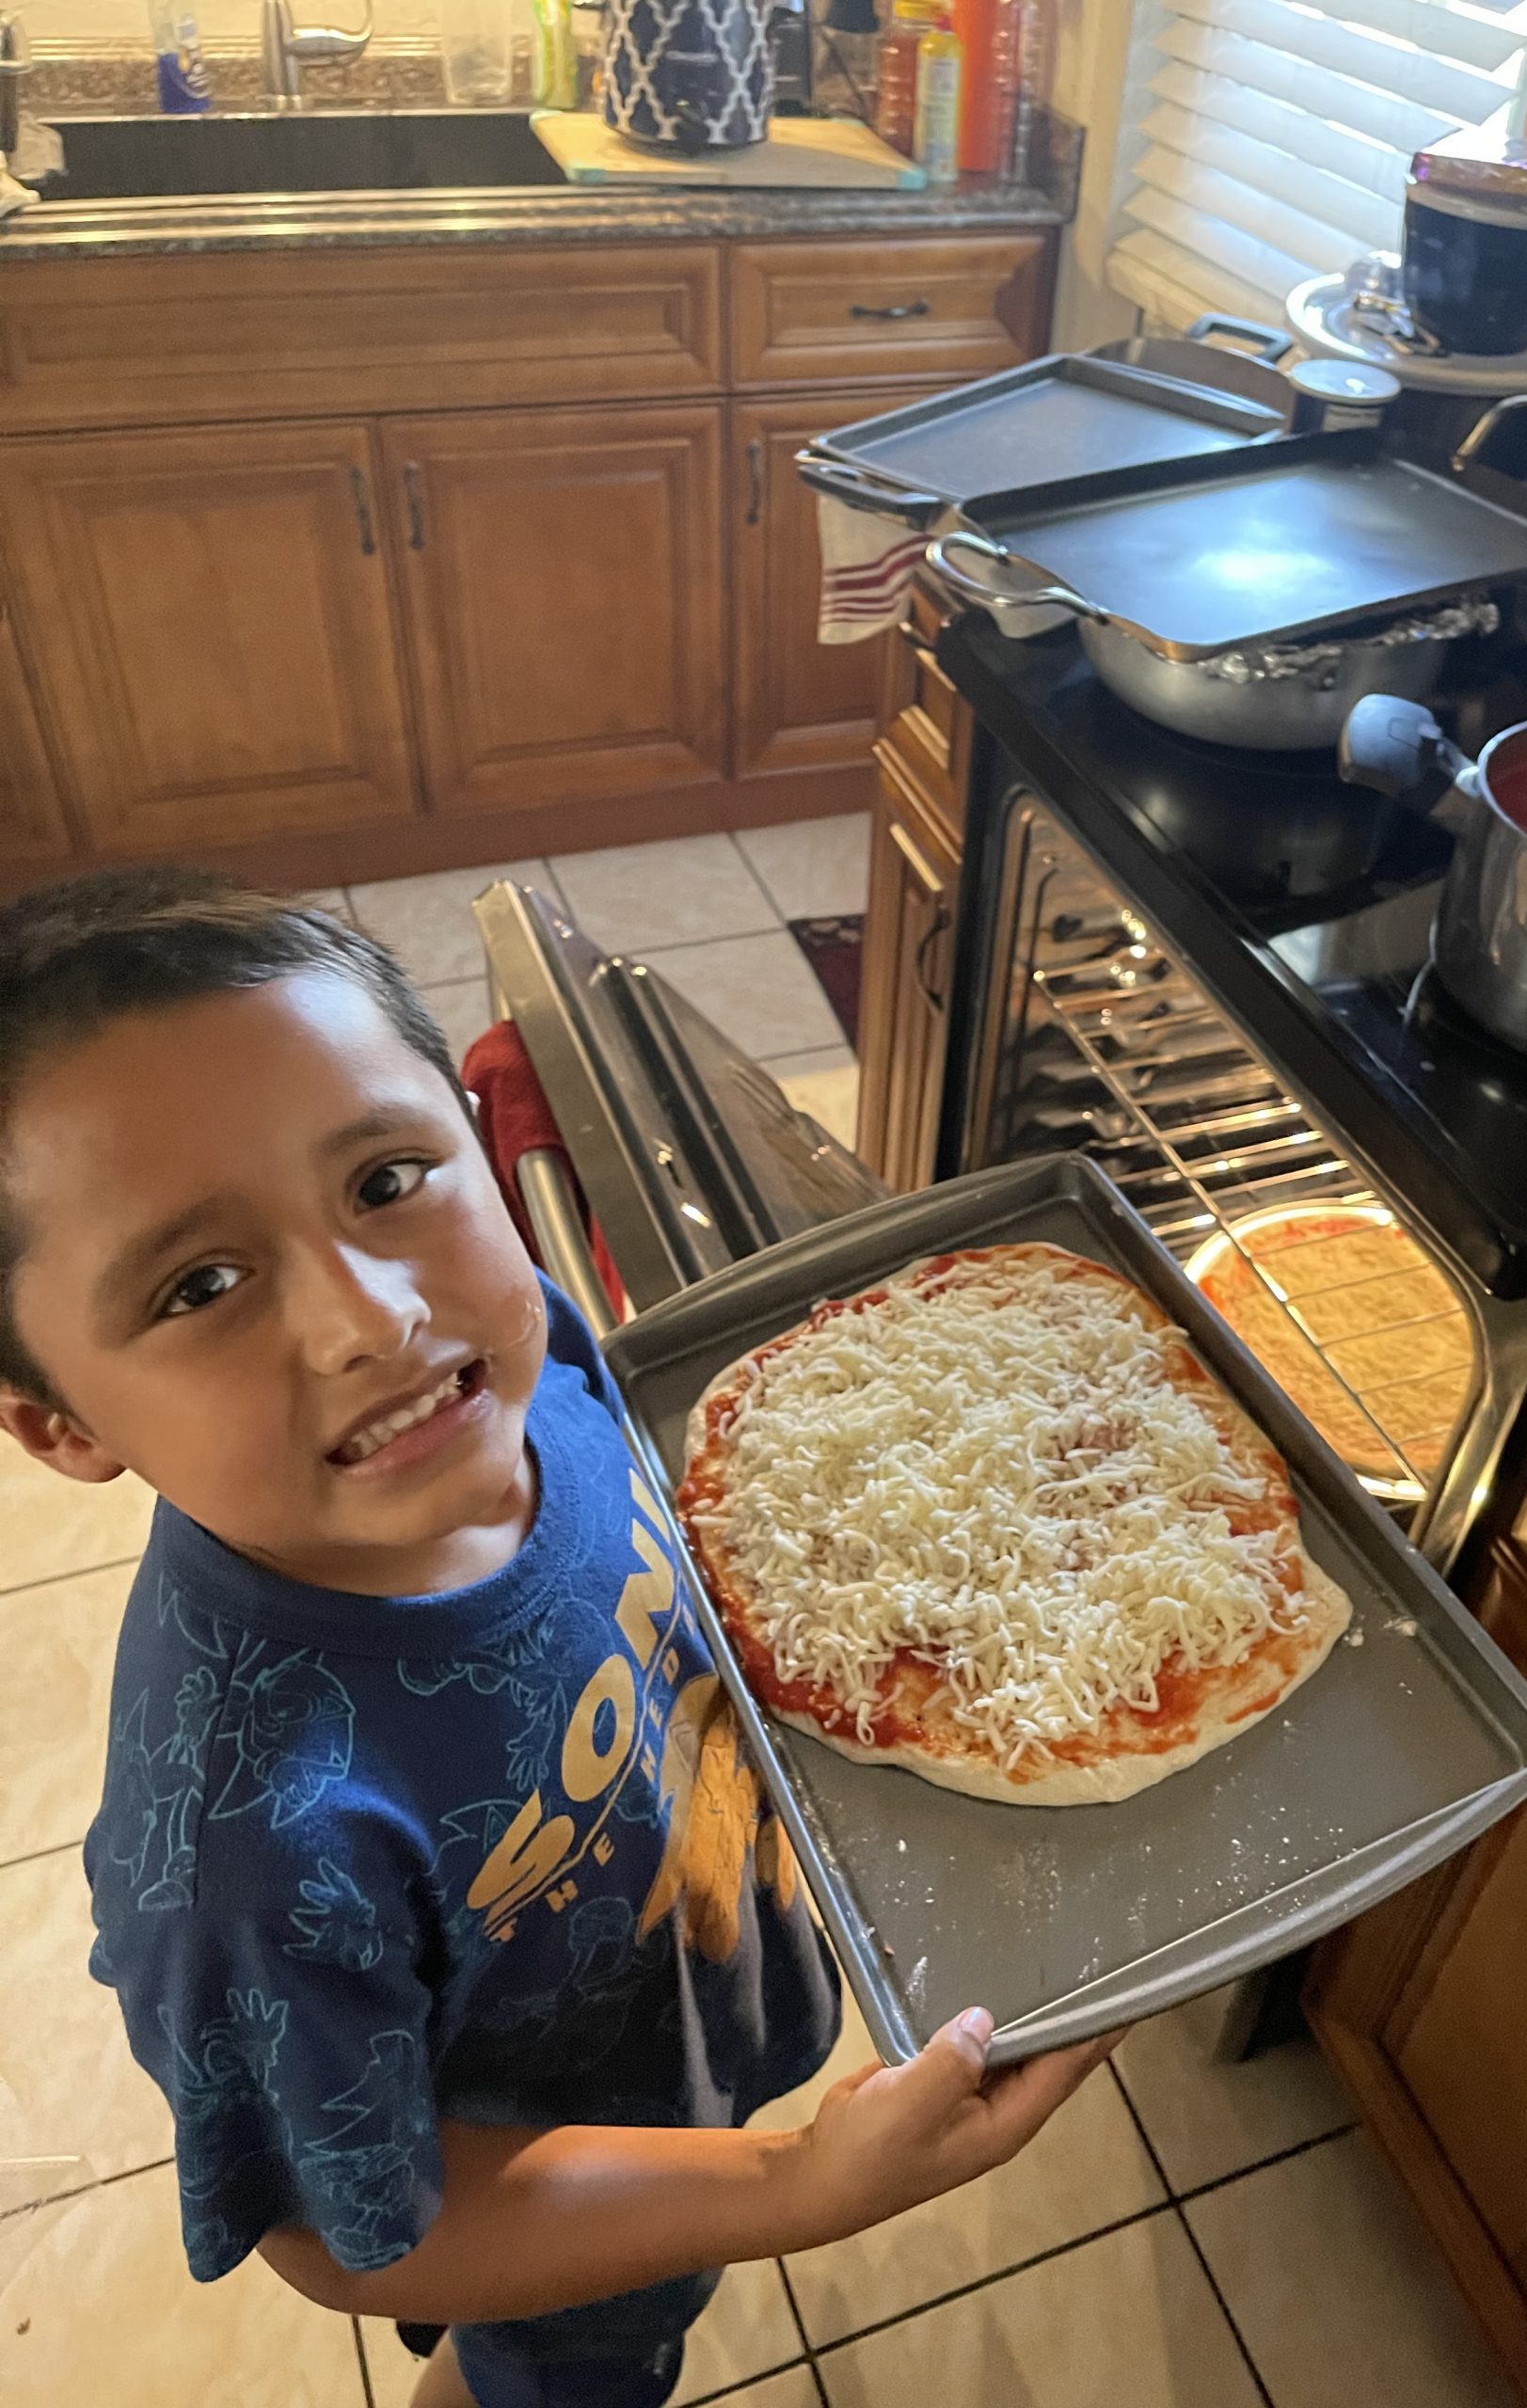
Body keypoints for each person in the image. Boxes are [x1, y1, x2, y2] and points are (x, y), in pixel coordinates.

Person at [0, 868, 1114, 2408]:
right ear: (58, 1426)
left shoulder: (523, 1368)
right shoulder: (250, 1848)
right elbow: (356, 2237)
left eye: (387, 1180)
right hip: (555, 2217)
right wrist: (791, 2187)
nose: (370, 1317)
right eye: (200, 1283)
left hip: (699, 2023)